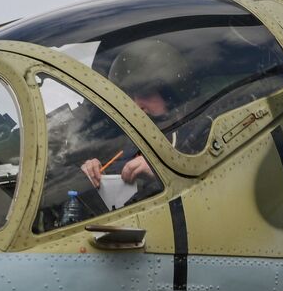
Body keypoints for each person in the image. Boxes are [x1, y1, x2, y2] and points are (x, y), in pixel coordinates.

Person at [79, 39, 197, 189]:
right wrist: (94, 170)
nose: (135, 106)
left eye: (145, 94)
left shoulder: (202, 135)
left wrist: (163, 172)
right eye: (128, 97)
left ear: (171, 95)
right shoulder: (125, 141)